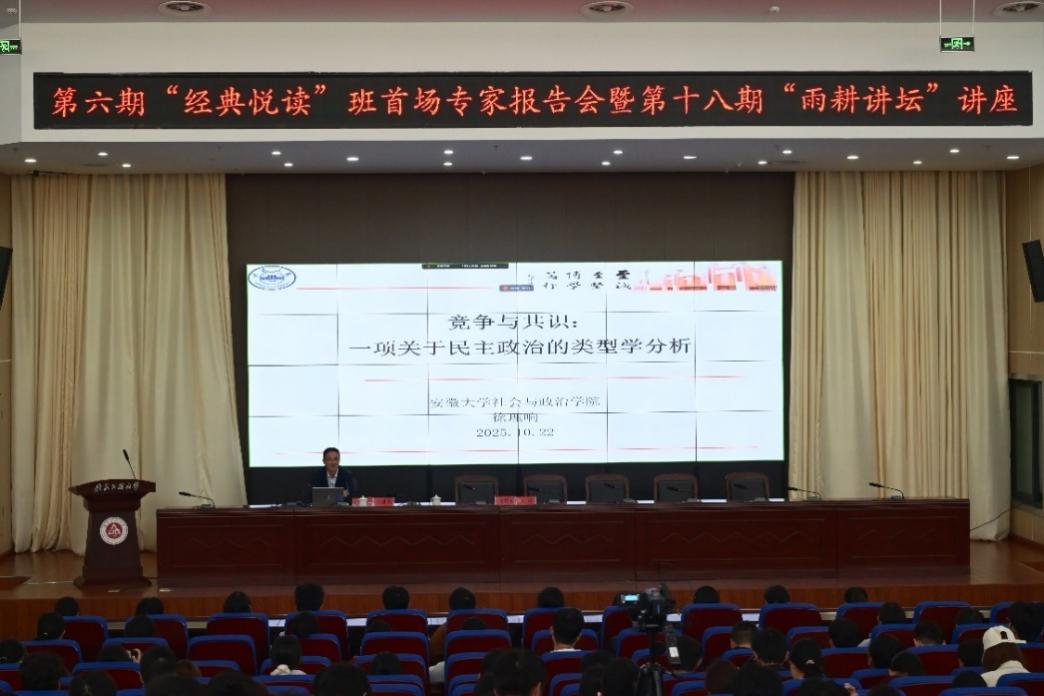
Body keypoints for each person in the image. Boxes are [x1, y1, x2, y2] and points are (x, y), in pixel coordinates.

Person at [430, 586, 477, 663]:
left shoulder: (442, 632)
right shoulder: (488, 628)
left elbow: (434, 658)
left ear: (450, 608)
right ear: (475, 607)